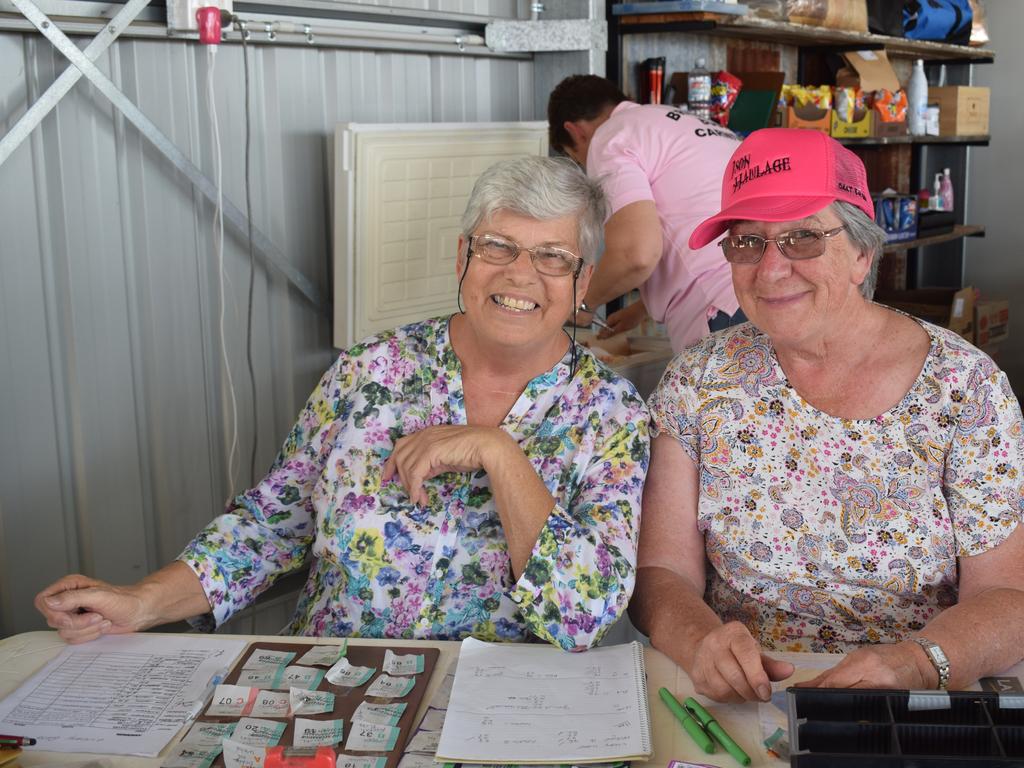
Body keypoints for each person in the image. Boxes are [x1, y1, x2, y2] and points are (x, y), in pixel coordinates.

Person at [35, 156, 650, 651]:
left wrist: (499, 453)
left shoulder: (613, 414)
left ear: (581, 283)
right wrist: (141, 602)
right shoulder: (370, 370)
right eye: (498, 247)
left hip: (505, 717)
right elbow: (272, 525)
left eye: (552, 258)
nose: (520, 274)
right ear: (463, 258)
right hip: (335, 689)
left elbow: (584, 615)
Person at [630, 128, 1024, 703]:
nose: (769, 271)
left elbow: (1006, 597)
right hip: (744, 696)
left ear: (862, 254)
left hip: (909, 701)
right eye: (747, 243)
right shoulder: (697, 383)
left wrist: (916, 666)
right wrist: (698, 643)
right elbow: (662, 574)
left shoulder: (966, 390)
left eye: (801, 239)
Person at [548, 74, 742, 351]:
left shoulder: (610, 135)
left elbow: (635, 255)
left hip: (721, 313)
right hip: (762, 295)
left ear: (575, 131)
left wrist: (582, 302)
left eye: (577, 157)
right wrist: (642, 308)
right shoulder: (682, 122)